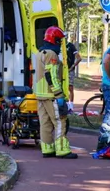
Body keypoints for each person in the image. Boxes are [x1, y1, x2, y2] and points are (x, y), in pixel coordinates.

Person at [34, 26, 78, 159]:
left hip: (40, 95)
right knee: (60, 121)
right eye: (59, 41)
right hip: (51, 95)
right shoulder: (52, 55)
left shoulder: (39, 53)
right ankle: (62, 150)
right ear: (55, 40)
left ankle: (47, 149)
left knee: (45, 123)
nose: (60, 44)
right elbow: (51, 76)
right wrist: (59, 95)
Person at [66, 40, 82, 113]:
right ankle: (65, 106)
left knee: (70, 88)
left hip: (69, 70)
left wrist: (73, 66)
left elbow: (79, 58)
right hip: (61, 70)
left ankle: (71, 107)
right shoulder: (58, 46)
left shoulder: (70, 46)